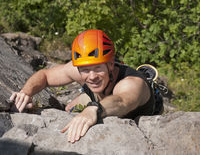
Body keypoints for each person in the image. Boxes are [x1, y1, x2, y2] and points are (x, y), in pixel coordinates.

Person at [10, 29, 159, 143]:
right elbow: (45, 75)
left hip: (129, 107)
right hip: (98, 97)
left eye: (98, 68)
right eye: (85, 70)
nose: (92, 76)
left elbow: (122, 101)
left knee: (88, 106)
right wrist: (26, 92)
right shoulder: (79, 69)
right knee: (69, 108)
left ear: (111, 64)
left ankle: (90, 102)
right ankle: (86, 99)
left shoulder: (132, 83)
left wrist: (93, 109)